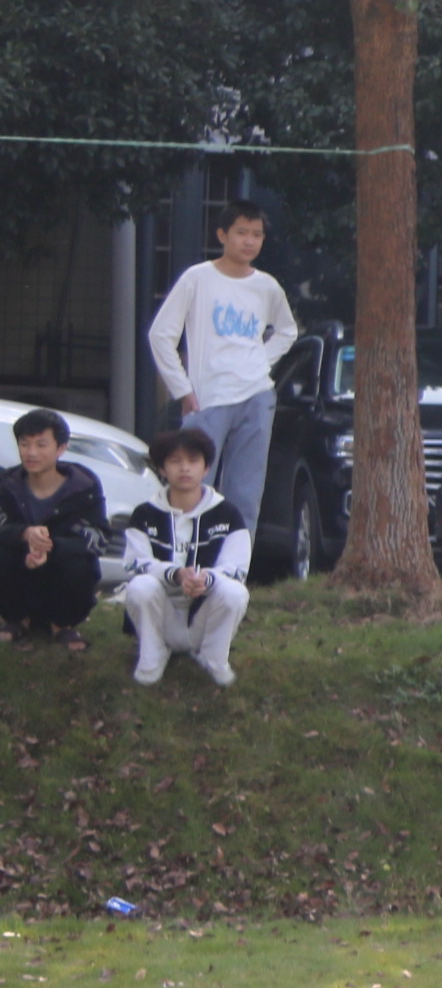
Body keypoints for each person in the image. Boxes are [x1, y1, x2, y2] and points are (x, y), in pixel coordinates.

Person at [142, 197, 296, 528]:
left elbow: (287, 331)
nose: (249, 241)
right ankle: (186, 555)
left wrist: (260, 362)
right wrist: (182, 389)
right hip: (207, 396)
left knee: (246, 492)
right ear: (222, 235)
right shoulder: (197, 278)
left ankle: (236, 559)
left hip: (256, 394)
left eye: (257, 234)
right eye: (242, 233)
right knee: (191, 485)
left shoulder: (266, 286)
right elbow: (161, 335)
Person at [116, 424, 248, 688]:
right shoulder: (145, 514)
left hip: (205, 614)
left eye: (193, 461)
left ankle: (213, 658)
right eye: (175, 461)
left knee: (235, 592)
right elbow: (135, 563)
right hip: (161, 614)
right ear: (162, 469)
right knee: (140, 586)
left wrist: (205, 579)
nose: (185, 468)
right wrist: (175, 574)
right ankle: (152, 656)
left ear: (206, 468)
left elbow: (236, 567)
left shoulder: (228, 514)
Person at [1, 410, 110, 650]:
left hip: (61, 569)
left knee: (79, 563)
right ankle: (17, 620)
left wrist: (51, 547)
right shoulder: (7, 484)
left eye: (41, 445)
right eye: (24, 444)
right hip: (19, 568)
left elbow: (99, 538)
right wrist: (23, 534)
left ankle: (62, 626)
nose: (31, 453)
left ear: (61, 448)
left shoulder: (84, 487)